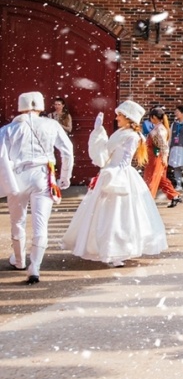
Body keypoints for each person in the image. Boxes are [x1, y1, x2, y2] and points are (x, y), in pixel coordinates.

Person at [61, 102, 168, 267]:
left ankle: (115, 250)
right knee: (116, 214)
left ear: (128, 117)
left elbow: (105, 155)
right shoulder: (125, 133)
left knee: (115, 215)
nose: (116, 117)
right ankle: (114, 248)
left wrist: (98, 133)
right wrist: (99, 133)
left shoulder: (129, 136)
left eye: (120, 115)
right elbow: (106, 154)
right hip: (116, 173)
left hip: (117, 175)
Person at [0, 91, 73, 284]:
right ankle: (35, 267)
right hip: (43, 175)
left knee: (18, 221)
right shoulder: (52, 125)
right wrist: (64, 177)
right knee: (41, 224)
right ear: (40, 106)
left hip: (17, 176)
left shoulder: (8, 129)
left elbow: (1, 157)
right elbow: (67, 151)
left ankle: (19, 260)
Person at [142, 106, 182, 208]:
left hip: (156, 157)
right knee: (160, 179)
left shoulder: (159, 129)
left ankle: (147, 201)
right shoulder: (159, 128)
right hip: (156, 156)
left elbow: (163, 145)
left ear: (154, 117)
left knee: (151, 179)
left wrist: (164, 158)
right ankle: (174, 195)